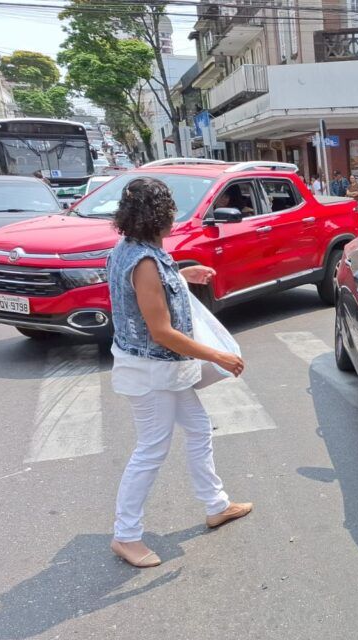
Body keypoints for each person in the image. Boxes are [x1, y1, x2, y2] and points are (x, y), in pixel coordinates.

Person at [107, 178, 251, 568]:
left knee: (199, 428)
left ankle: (216, 504)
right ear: (157, 215)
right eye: (170, 209)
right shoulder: (145, 260)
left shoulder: (133, 249)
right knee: (151, 450)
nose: (174, 217)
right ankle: (126, 535)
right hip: (150, 373)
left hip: (159, 372)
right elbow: (161, 332)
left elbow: (144, 294)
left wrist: (184, 275)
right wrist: (219, 356)